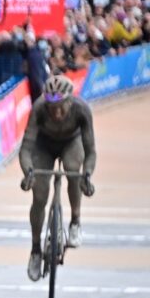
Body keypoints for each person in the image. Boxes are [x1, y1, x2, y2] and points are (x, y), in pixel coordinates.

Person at [19, 74, 96, 279]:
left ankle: (75, 221)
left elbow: (90, 152)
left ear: (71, 101)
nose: (57, 112)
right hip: (43, 146)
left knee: (72, 169)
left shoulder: (82, 110)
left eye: (62, 106)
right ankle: (36, 250)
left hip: (72, 142)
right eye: (53, 108)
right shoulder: (39, 108)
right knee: (40, 195)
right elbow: (26, 149)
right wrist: (28, 172)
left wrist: (87, 174)